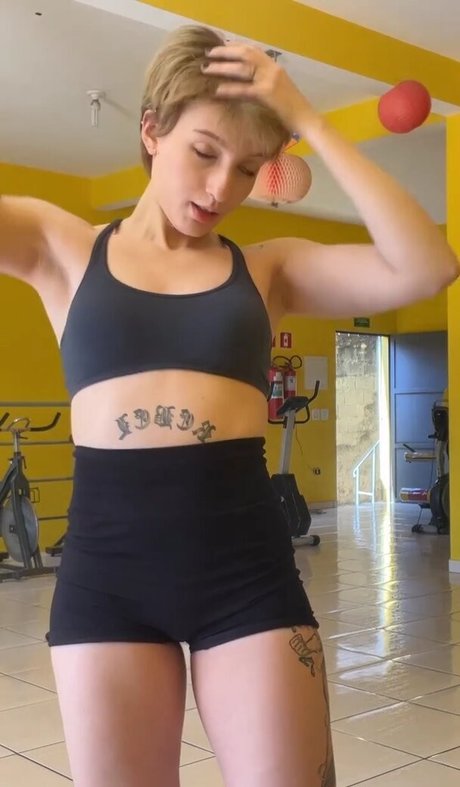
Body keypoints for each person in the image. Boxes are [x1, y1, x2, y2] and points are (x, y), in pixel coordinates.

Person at [0, 23, 457, 787]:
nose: (220, 190)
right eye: (204, 152)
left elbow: (429, 264)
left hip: (247, 576)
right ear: (152, 130)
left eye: (247, 168)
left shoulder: (270, 271)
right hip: (108, 581)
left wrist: (310, 121)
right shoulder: (64, 246)